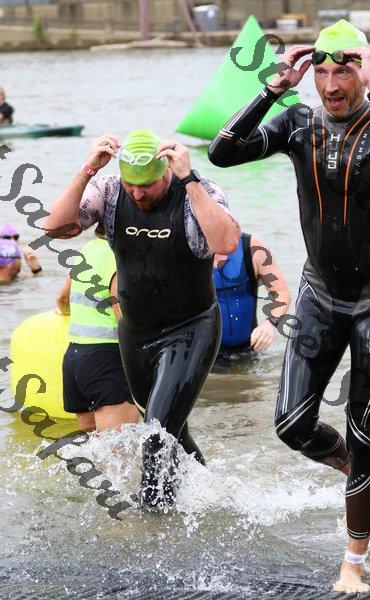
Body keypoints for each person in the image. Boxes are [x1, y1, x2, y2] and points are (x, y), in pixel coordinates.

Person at [209, 18, 370, 594]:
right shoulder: (297, 123)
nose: (331, 85)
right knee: (292, 425)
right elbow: (222, 153)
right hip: (320, 292)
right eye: (322, 73)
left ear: (364, 71)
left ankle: (353, 564)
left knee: (364, 430)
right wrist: (272, 89)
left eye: (344, 72)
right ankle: (357, 473)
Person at [44, 128, 240, 508]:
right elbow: (54, 227)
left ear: (165, 170)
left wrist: (189, 179)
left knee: (155, 432)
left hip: (190, 329)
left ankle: (153, 519)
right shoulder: (109, 190)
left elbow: (226, 242)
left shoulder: (197, 191)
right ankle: (213, 499)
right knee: (170, 430)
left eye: (146, 185)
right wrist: (87, 169)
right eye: (131, 185)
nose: (137, 194)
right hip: (135, 334)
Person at [56, 223, 140, 433]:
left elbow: (62, 297)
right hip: (108, 361)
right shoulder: (120, 256)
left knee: (91, 445)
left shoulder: (87, 250)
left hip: (74, 358)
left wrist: (65, 313)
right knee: (119, 449)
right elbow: (123, 319)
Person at [213, 231, 290, 356]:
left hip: (249, 350)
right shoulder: (189, 254)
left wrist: (271, 323)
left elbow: (282, 293)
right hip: (205, 354)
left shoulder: (252, 246)